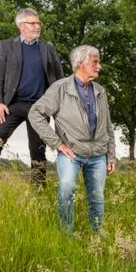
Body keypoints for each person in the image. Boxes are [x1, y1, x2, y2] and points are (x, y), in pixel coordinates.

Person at [28, 45, 116, 234]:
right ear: (80, 63)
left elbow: (108, 126)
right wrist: (57, 143)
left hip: (98, 154)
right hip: (71, 153)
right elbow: (35, 113)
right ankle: (66, 233)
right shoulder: (60, 88)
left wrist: (111, 156)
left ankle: (97, 234)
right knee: (67, 188)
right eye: (95, 62)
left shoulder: (100, 90)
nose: (99, 66)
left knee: (97, 197)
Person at [0, 8, 64, 186]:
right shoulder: (6, 46)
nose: (37, 26)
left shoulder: (48, 49)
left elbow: (59, 79)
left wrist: (58, 105)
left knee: (38, 151)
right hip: (11, 106)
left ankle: (39, 190)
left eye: (38, 23)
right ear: (21, 26)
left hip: (39, 108)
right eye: (33, 23)